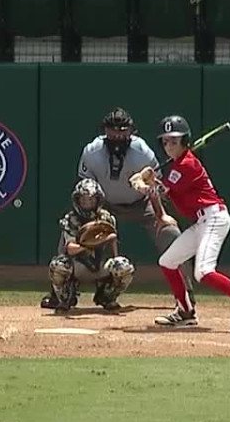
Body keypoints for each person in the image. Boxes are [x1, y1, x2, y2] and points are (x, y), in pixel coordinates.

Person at [41, 107, 196, 309]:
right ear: (104, 131)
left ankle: (186, 296)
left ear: (131, 131)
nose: (117, 135)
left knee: (171, 234)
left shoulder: (142, 152)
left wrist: (161, 214)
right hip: (103, 205)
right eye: (112, 130)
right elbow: (86, 188)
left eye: (122, 130)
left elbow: (153, 186)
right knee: (68, 232)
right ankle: (59, 293)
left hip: (141, 203)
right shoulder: (92, 152)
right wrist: (89, 216)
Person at [144, 115, 230, 333]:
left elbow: (162, 190)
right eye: (165, 141)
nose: (169, 146)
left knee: (203, 272)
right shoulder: (177, 165)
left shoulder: (187, 164)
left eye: (174, 141)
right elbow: (166, 189)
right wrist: (150, 179)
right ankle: (185, 312)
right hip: (202, 221)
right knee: (168, 261)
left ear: (185, 141)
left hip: (214, 218)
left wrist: (144, 182)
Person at [47, 178, 136, 312]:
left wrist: (114, 261)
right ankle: (64, 297)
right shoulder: (71, 219)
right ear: (77, 200)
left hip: (101, 263)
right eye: (83, 199)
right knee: (58, 265)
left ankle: (107, 297)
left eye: (91, 200)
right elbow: (70, 249)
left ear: (98, 200)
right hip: (78, 265)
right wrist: (90, 245)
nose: (87, 203)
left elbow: (112, 242)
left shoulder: (106, 218)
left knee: (124, 267)